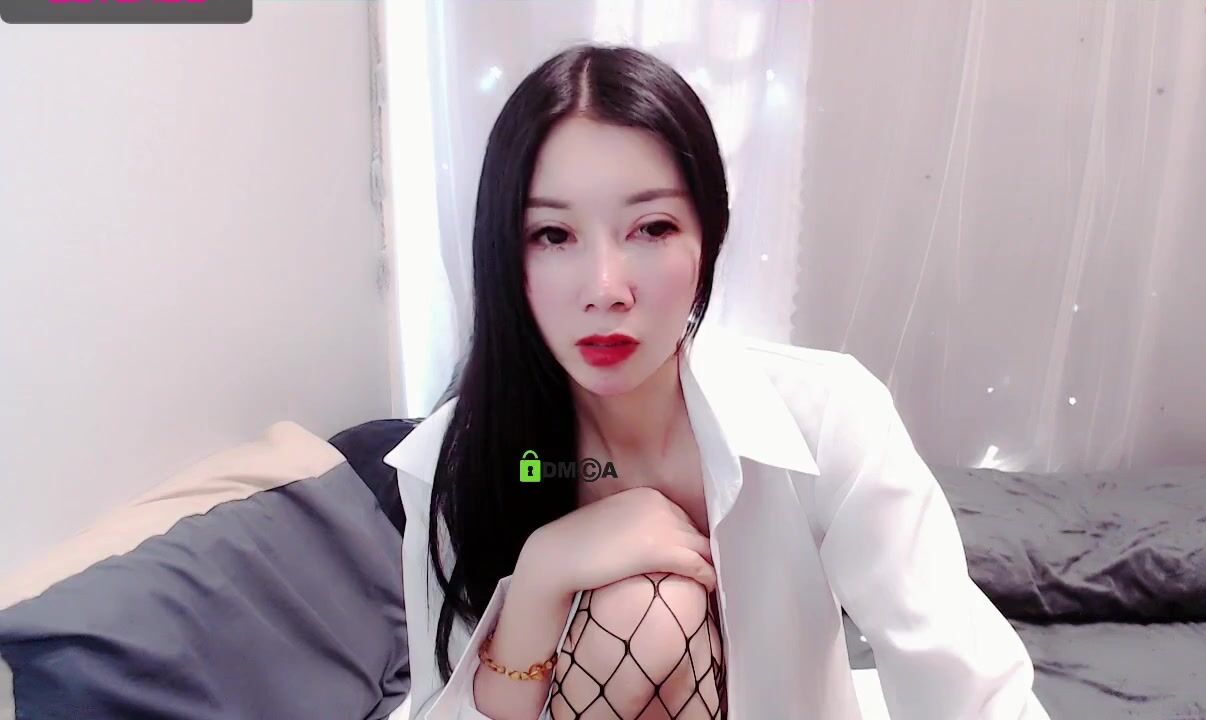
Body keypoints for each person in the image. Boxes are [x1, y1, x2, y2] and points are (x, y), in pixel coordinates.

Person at [384, 43, 1051, 720]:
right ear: (504, 252)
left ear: (708, 236)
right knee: (647, 612)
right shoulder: (459, 459)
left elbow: (963, 680)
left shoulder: (824, 416)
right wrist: (540, 581)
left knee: (652, 611)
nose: (605, 288)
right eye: (553, 235)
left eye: (651, 227)